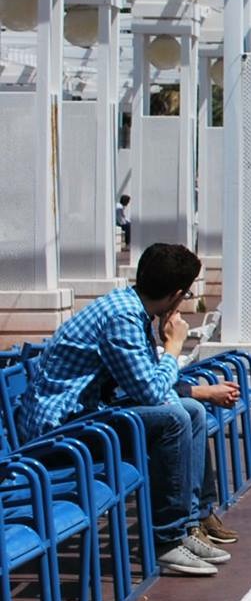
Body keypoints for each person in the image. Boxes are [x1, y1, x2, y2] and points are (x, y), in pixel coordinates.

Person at [21, 243, 238, 577]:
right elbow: (150, 392)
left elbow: (147, 383)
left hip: (87, 417)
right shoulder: (122, 318)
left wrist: (194, 389)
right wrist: (173, 346)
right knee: (174, 419)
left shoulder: (133, 310)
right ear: (176, 294)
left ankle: (190, 523)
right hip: (60, 434)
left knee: (192, 411)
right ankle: (166, 540)